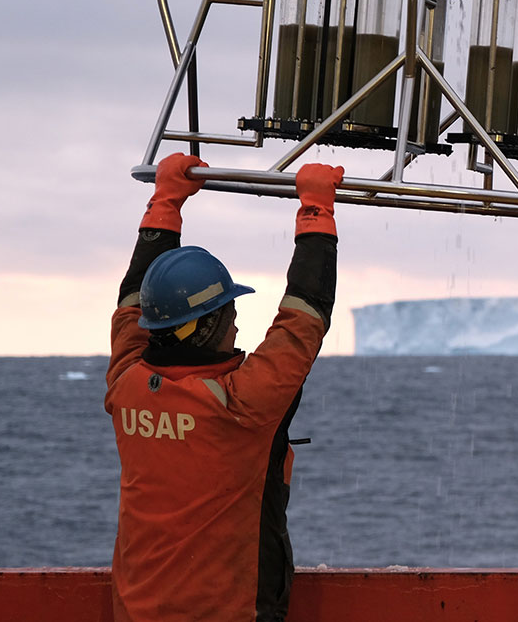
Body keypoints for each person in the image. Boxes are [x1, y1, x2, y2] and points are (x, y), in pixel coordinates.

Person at [105, 152, 344, 622]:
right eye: (230, 313)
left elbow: (133, 303)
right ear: (208, 324)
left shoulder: (127, 384)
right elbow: (306, 315)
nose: (237, 326)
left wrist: (166, 202)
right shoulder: (240, 404)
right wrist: (317, 212)